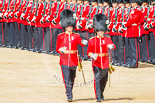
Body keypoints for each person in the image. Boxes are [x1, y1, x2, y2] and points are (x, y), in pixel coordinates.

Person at [56, 9, 88, 102]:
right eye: (68, 26)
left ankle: (68, 90)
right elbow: (57, 48)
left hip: (74, 59)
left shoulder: (76, 35)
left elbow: (80, 42)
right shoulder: (60, 36)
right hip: (64, 59)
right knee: (66, 78)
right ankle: (69, 95)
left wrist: (83, 42)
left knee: (72, 78)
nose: (70, 28)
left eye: (71, 26)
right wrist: (61, 50)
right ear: (65, 27)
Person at [87, 14, 116, 102]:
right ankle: (98, 96)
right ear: (96, 32)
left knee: (104, 79)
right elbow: (88, 52)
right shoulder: (92, 40)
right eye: (99, 31)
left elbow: (113, 46)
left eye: (102, 31)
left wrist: (112, 46)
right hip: (96, 62)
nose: (100, 33)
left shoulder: (107, 39)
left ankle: (101, 93)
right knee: (97, 78)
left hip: (105, 61)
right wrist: (92, 55)